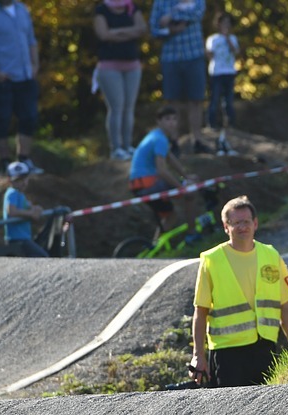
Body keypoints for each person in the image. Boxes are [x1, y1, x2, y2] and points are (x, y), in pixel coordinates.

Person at [189, 195, 288, 388]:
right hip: (227, 353)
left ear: (255, 223)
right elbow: (200, 312)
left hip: (264, 348)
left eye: (246, 222)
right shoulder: (211, 260)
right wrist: (198, 356)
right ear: (226, 226)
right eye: (236, 223)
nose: (242, 227)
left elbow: (285, 306)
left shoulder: (271, 255)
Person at [0, 0, 43, 175]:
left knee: (29, 117)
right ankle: (5, 163)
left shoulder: (22, 9)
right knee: (2, 119)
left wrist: (35, 64)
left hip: (26, 76)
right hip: (1, 80)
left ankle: (24, 160)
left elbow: (31, 40)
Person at [129, 106, 200, 242]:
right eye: (167, 119)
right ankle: (192, 234)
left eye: (174, 119)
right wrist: (181, 187)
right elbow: (162, 170)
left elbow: (170, 158)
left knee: (170, 215)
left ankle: (155, 246)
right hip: (148, 183)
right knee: (190, 194)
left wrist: (186, 176)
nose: (172, 123)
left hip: (138, 185)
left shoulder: (155, 136)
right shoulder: (160, 139)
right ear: (159, 121)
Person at [150, 0, 209, 153]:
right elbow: (154, 28)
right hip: (171, 58)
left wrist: (170, 17)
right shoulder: (160, 3)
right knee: (172, 101)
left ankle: (197, 140)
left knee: (196, 99)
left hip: (194, 55)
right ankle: (173, 142)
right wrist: (171, 30)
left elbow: (196, 14)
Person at [94, 0, 147, 161]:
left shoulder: (132, 8)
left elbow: (142, 29)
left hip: (132, 65)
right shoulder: (101, 10)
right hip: (109, 66)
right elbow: (103, 34)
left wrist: (116, 33)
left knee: (129, 107)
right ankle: (116, 148)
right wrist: (130, 32)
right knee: (117, 106)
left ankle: (127, 145)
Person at [205, 10, 239, 156]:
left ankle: (229, 124)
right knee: (214, 99)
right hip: (216, 72)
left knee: (229, 100)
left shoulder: (232, 38)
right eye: (223, 22)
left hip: (229, 72)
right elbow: (209, 54)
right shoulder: (212, 39)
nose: (226, 25)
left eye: (228, 23)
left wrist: (227, 39)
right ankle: (212, 124)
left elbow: (235, 51)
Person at [2, 160, 47, 257]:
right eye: (18, 180)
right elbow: (11, 211)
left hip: (24, 237)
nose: (22, 183)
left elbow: (28, 207)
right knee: (43, 258)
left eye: (24, 179)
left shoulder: (20, 194)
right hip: (17, 239)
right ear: (9, 180)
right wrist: (31, 213)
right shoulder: (12, 193)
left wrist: (36, 209)